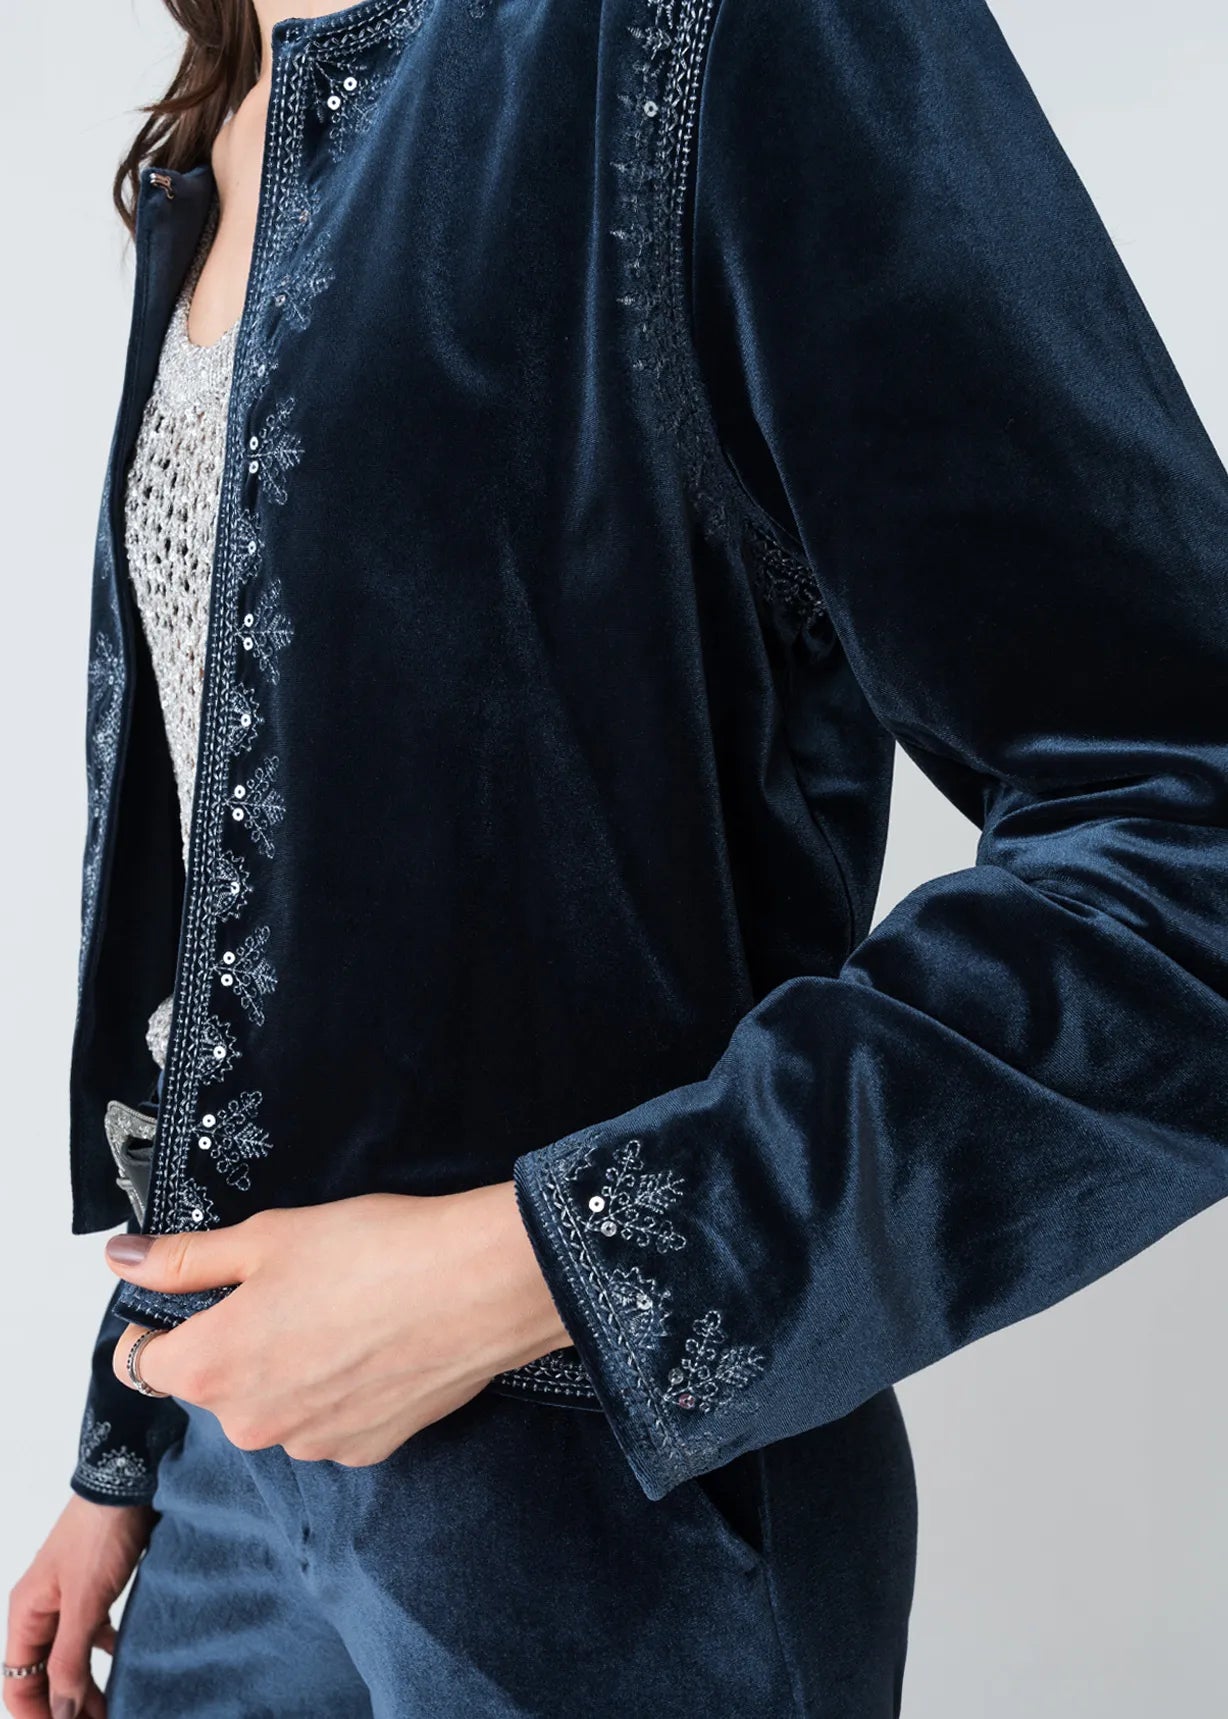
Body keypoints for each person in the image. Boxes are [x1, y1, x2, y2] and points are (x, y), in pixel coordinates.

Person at [7, 0, 1228, 1713]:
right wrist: (123, 1439)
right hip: (226, 1491)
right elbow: (254, 889)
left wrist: (539, 1266)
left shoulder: (695, 33)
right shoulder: (217, 134)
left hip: (612, 1526)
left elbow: (1185, 821)